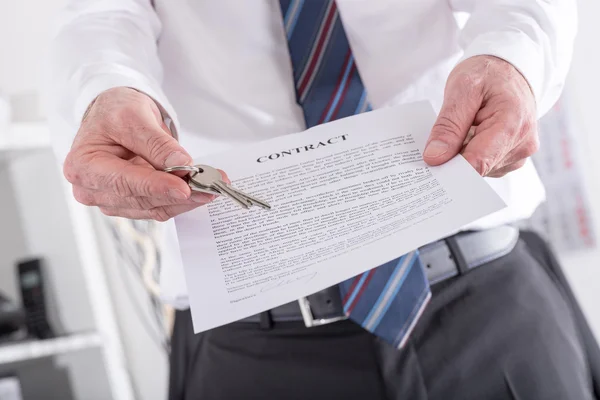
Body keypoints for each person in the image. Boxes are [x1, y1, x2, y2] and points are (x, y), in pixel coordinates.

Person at [47, 1, 600, 399]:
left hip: (484, 300)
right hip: (251, 339)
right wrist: (106, 87)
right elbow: (95, 14)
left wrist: (514, 61)